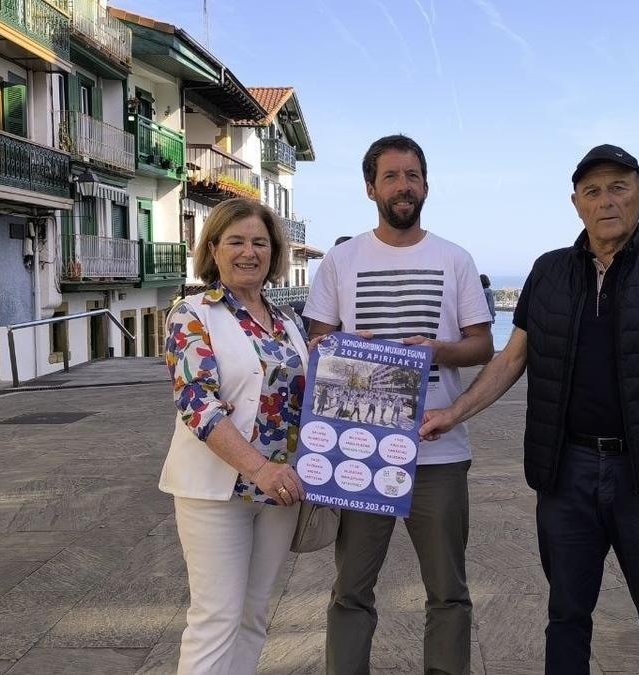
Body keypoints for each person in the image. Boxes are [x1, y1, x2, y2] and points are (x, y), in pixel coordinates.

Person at [421, 144, 639, 674]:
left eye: (618, 187)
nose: (606, 201)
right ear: (576, 204)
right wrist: (455, 412)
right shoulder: (549, 271)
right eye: (592, 191)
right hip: (567, 474)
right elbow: (512, 359)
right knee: (565, 616)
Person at [304, 134, 494, 674]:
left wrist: (438, 348)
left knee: (449, 592)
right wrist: (344, 354)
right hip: (360, 452)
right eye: (391, 176)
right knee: (351, 592)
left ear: (426, 185)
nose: (403, 186)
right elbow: (319, 346)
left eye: (412, 175)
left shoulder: (455, 259)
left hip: (439, 449)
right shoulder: (340, 261)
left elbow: (483, 347)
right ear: (371, 188)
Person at [161, 198, 310, 674]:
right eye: (237, 241)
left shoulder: (288, 322)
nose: (249, 252)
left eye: (260, 243)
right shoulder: (192, 313)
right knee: (215, 617)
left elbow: (307, 393)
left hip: (279, 490)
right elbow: (196, 404)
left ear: (274, 252)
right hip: (219, 488)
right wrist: (259, 468)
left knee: (253, 615)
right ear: (214, 249)